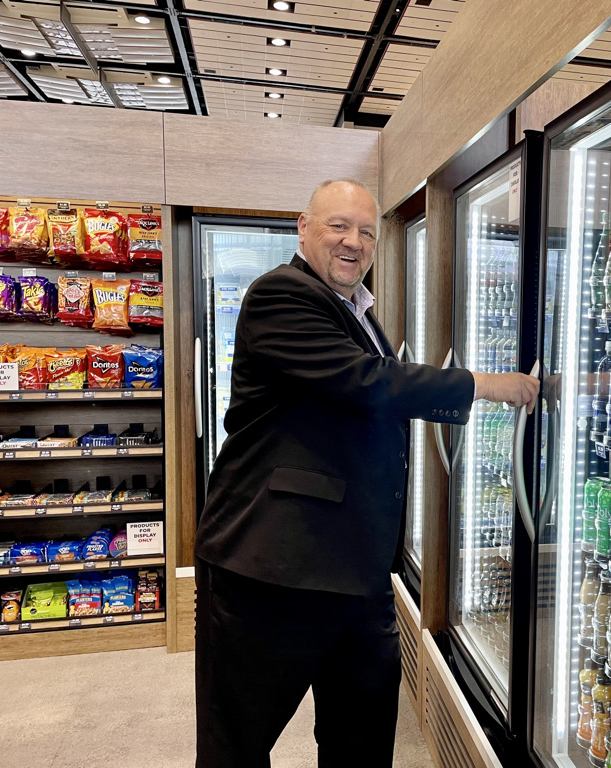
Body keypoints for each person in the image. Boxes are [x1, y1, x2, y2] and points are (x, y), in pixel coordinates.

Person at [193, 179, 539, 768]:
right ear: (303, 228)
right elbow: (368, 382)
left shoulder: (357, 309)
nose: (354, 242)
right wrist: (484, 385)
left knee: (363, 738)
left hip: (356, 570)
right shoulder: (279, 294)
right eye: (339, 226)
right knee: (237, 744)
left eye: (367, 232)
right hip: (273, 570)